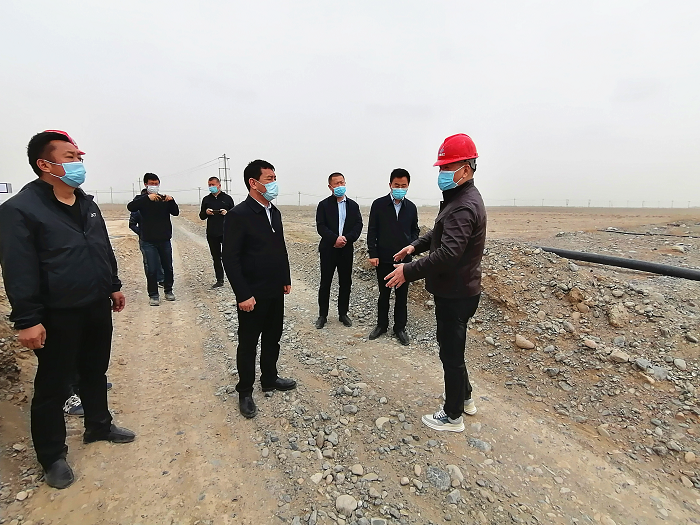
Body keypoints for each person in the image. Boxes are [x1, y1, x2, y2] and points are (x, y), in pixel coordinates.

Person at [0, 130, 135, 489]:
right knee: (53, 385)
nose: (79, 163)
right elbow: (18, 268)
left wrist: (113, 285)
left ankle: (99, 425)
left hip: (95, 305)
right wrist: (28, 320)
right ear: (45, 164)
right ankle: (52, 456)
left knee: (94, 371)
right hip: (57, 313)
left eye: (79, 157)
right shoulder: (20, 210)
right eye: (70, 157)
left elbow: (102, 247)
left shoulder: (86, 203)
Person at [386, 134, 487, 433]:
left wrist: (408, 271)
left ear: (465, 169)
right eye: (441, 167)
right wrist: (414, 245)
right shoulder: (459, 199)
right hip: (458, 289)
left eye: (447, 167)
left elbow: (448, 254)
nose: (441, 173)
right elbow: (440, 234)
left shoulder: (464, 205)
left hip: (456, 293)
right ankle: (464, 397)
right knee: (453, 349)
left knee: (450, 354)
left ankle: (453, 415)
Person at [222, 160, 296, 418]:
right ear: (253, 183)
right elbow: (230, 258)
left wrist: (285, 277)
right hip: (252, 293)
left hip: (275, 288)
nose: (274, 183)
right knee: (249, 342)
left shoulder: (274, 213)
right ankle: (245, 391)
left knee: (273, 337)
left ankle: (269, 378)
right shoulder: (239, 215)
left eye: (275, 178)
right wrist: (243, 294)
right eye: (269, 179)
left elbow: (280, 248)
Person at [366, 168, 419, 345]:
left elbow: (415, 230)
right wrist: (373, 253)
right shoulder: (379, 205)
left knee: (402, 297)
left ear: (408, 186)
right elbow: (372, 230)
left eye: (403, 185)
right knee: (384, 295)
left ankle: (400, 328)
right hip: (383, 259)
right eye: (397, 185)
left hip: (404, 262)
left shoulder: (411, 207)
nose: (400, 188)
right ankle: (381, 325)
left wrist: (411, 246)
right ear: (390, 185)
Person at [314, 173, 363, 329]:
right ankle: (323, 315)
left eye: (342, 182)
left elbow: (358, 225)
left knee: (345, 282)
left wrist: (346, 239)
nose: (340, 186)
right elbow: (321, 226)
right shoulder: (323, 205)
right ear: (330, 187)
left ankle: (343, 314)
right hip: (328, 249)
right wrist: (334, 239)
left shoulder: (353, 206)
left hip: (346, 250)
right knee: (325, 282)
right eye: (336, 183)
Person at [126, 173, 179, 306]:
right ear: (146, 184)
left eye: (156, 184)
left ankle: (168, 290)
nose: (154, 186)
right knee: (151, 269)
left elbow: (176, 212)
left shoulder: (163, 199)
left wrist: (171, 200)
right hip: (148, 241)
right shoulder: (141, 199)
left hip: (164, 239)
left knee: (168, 267)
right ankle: (153, 295)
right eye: (151, 184)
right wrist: (147, 198)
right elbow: (131, 207)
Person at [199, 176, 235, 288]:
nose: (211, 187)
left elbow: (234, 216)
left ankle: (234, 279)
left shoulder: (227, 198)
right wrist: (206, 212)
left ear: (219, 185)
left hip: (226, 233)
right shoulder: (206, 199)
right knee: (216, 257)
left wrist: (227, 213)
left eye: (213, 185)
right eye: (209, 185)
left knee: (229, 257)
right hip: (212, 233)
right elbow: (201, 216)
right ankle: (220, 280)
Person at [128, 192, 164, 287]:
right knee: (148, 261)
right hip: (145, 240)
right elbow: (132, 224)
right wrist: (142, 233)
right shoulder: (138, 208)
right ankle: (152, 282)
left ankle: (161, 279)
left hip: (160, 238)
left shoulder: (157, 205)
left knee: (160, 259)